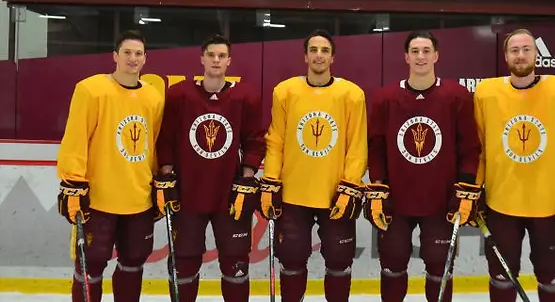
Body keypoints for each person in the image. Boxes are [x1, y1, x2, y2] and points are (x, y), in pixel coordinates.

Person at [474, 28, 555, 302]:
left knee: (552, 279)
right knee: (501, 277)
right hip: (501, 203)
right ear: (505, 56)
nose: (521, 55)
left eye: (527, 49)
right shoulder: (486, 93)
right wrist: (476, 186)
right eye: (514, 50)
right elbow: (480, 147)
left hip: (549, 207)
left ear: (536, 53)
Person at [364, 30, 482, 302]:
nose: (420, 56)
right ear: (406, 56)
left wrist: (464, 187)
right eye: (415, 51)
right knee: (392, 265)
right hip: (396, 201)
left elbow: (469, 147)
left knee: (440, 268)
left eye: (426, 51)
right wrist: (378, 186)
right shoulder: (385, 98)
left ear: (436, 56)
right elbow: (376, 147)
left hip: (441, 203)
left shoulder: (457, 96)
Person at [153, 34, 265, 302]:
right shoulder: (179, 95)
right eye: (211, 55)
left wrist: (247, 177)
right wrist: (167, 174)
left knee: (236, 261)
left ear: (229, 61)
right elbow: (165, 138)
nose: (216, 60)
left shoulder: (244, 97)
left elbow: (255, 140)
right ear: (201, 58)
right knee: (184, 260)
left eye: (221, 56)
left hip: (229, 196)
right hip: (187, 195)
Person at [258, 29, 368, 302]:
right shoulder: (285, 91)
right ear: (305, 56)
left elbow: (357, 146)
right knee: (292, 260)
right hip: (294, 194)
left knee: (339, 262)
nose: (319, 55)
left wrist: (350, 184)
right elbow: (276, 140)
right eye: (314, 50)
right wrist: (270, 181)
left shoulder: (352, 95)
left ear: (333, 58)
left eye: (325, 51)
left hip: (335, 196)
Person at [56, 29, 164, 302]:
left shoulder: (153, 97)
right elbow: (75, 138)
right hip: (98, 199)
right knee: (90, 266)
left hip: (138, 199)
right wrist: (72, 183)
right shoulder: (91, 90)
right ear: (115, 56)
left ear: (145, 60)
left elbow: (155, 145)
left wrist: (159, 182)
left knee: (133, 264)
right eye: (127, 52)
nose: (132, 58)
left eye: (138, 54)